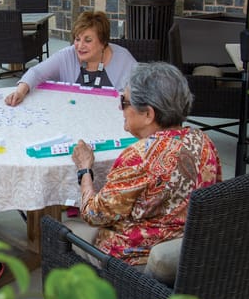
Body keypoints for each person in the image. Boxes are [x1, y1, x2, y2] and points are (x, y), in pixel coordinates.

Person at [69, 62, 222, 267]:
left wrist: (84, 169)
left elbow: (93, 214)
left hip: (134, 259)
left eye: (124, 102)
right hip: (191, 253)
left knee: (63, 228)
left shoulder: (138, 157)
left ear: (148, 114)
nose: (120, 108)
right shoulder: (203, 142)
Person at [5, 10, 137, 106]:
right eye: (77, 39)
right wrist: (20, 92)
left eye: (88, 40)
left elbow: (142, 91)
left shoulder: (123, 59)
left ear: (103, 42)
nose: (80, 46)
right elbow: (36, 72)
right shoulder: (67, 55)